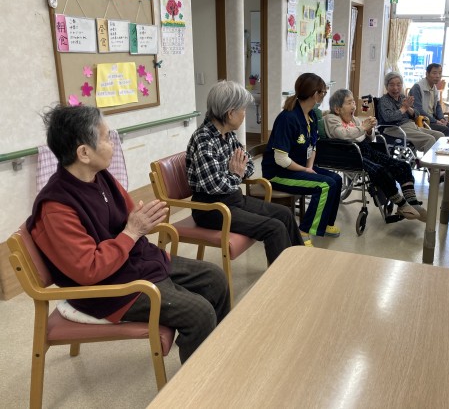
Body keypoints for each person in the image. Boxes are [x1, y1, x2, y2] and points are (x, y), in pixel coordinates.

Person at [27, 104, 229, 364]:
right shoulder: (56, 207)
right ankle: (200, 379)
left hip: (132, 262)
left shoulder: (101, 177)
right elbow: (89, 269)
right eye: (106, 138)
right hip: (105, 291)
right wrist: (132, 231)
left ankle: (215, 354)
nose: (113, 143)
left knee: (215, 278)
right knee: (199, 313)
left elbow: (129, 216)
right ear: (84, 153)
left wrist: (143, 222)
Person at [187, 80, 304, 263]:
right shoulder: (204, 140)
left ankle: (298, 263)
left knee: (285, 214)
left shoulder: (229, 134)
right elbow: (214, 186)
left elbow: (248, 166)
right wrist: (235, 174)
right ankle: (281, 277)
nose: (244, 114)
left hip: (233, 199)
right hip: (211, 209)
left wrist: (235, 173)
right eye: (242, 110)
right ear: (230, 113)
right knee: (274, 228)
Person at [261, 72, 342, 247]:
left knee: (336, 179)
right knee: (325, 185)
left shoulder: (311, 116)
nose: (324, 96)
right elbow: (281, 159)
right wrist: (305, 170)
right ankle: (304, 231)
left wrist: (309, 167)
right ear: (315, 94)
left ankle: (326, 223)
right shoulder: (287, 118)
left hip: (299, 168)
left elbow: (313, 147)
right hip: (278, 173)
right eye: (323, 92)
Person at [324, 89, 427, 221]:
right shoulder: (331, 119)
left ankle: (412, 202)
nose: (354, 106)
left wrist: (369, 130)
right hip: (350, 154)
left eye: (354, 102)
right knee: (380, 171)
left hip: (366, 149)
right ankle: (401, 204)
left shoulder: (354, 119)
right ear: (337, 109)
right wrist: (363, 128)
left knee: (402, 165)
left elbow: (368, 137)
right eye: (349, 103)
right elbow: (342, 134)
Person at [379, 71, 444, 153]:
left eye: (398, 85)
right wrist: (404, 108)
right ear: (386, 86)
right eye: (391, 85)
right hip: (395, 129)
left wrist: (408, 108)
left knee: (440, 136)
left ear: (402, 85)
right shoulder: (384, 100)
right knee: (429, 139)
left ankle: (437, 160)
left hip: (411, 127)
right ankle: (428, 161)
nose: (395, 88)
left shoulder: (402, 97)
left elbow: (417, 114)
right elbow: (388, 117)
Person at [410, 63, 449, 137]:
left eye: (440, 73)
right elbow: (418, 110)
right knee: (445, 129)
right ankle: (442, 145)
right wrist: (435, 121)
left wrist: (441, 118)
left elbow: (438, 106)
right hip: (422, 120)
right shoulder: (417, 87)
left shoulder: (434, 88)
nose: (438, 76)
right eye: (434, 73)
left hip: (433, 119)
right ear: (427, 74)